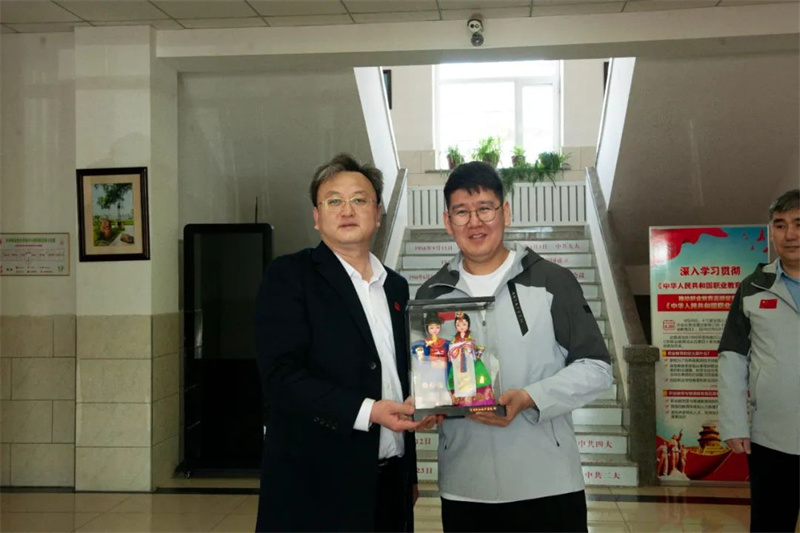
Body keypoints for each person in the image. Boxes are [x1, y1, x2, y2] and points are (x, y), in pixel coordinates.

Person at [416, 161, 613, 533]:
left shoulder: (552, 280)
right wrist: (428, 404)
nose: (475, 222)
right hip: (465, 487)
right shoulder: (432, 295)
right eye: (462, 212)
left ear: (505, 212)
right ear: (448, 221)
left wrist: (530, 397)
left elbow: (597, 368)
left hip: (548, 483)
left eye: (485, 209)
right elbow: (430, 377)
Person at [254, 153, 431, 532]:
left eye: (359, 200)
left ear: (378, 213)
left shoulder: (396, 287)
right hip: (314, 485)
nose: (347, 210)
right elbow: (281, 377)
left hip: (390, 482)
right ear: (317, 217)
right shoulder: (290, 276)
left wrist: (410, 473)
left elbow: (399, 377)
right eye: (333, 201)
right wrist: (369, 411)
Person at [718, 188, 800, 533]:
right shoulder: (753, 287)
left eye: (798, 224)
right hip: (772, 436)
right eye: (780, 225)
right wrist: (734, 423)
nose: (790, 234)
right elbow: (732, 356)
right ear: (771, 231)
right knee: (770, 523)